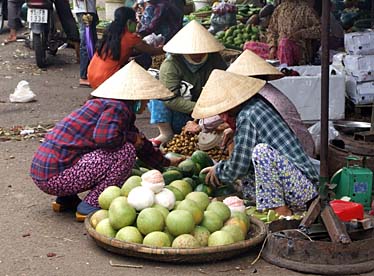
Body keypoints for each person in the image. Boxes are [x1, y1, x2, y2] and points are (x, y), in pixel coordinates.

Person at [30, 61, 183, 221]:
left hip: (43, 172)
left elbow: (141, 144)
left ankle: (66, 199)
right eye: (146, 100)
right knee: (125, 151)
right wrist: (132, 139)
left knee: (107, 146)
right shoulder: (118, 107)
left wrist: (166, 163)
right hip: (56, 177)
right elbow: (107, 139)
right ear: (136, 97)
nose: (147, 105)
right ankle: (91, 205)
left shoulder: (103, 104)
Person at [192, 70, 319, 216]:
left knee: (261, 151)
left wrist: (218, 170)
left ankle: (282, 212)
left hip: (303, 190)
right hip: (295, 184)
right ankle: (267, 205)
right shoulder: (255, 104)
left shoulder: (248, 115)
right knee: (253, 156)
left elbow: (238, 166)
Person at [148, 20, 227, 146]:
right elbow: (170, 99)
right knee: (158, 95)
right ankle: (166, 134)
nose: (198, 55)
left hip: (209, 111)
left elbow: (226, 84)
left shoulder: (215, 59)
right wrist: (199, 109)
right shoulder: (171, 65)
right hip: (180, 113)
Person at [227, 49, 316, 157]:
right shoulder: (267, 91)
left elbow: (240, 162)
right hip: (304, 148)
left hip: (294, 156)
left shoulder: (255, 102)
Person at [87, 7, 164, 89]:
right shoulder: (130, 37)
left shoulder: (110, 33)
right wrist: (166, 47)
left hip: (92, 76)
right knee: (145, 59)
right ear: (129, 22)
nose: (137, 23)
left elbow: (126, 50)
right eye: (136, 21)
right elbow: (152, 51)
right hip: (106, 79)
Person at [267, 0, 321, 65]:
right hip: (279, 50)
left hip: (300, 51)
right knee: (252, 47)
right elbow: (271, 31)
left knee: (285, 43)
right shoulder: (279, 9)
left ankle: (285, 69)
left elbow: (320, 30)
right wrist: (272, 47)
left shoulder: (305, 9)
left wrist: (301, 33)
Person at [73, 0, 98, 87]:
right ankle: (83, 76)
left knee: (92, 42)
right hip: (84, 10)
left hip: (89, 9)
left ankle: (90, 73)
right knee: (86, 43)